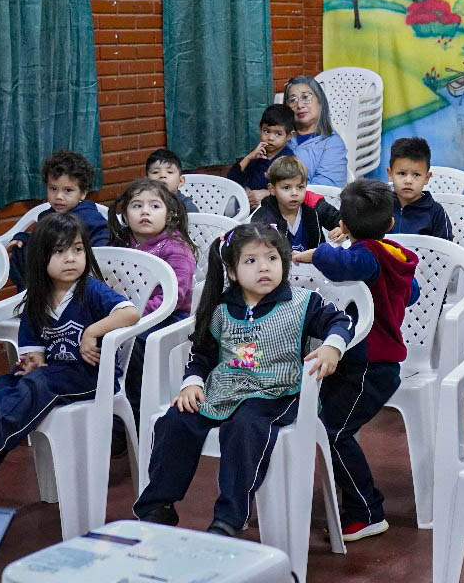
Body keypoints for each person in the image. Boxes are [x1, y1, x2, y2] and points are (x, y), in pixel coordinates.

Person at [133, 224, 353, 535]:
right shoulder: (222, 308)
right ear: (233, 272)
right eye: (251, 260)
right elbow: (203, 353)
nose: (264, 267)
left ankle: (229, 519)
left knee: (244, 427)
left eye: (272, 258)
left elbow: (340, 321)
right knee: (176, 420)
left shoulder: (302, 302)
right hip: (226, 389)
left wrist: (332, 346)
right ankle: (157, 506)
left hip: (278, 392)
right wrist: (192, 382)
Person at [0, 214, 139, 490]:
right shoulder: (37, 298)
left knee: (36, 384)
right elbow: (33, 346)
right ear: (41, 259)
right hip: (55, 374)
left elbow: (130, 313)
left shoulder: (91, 290)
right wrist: (33, 359)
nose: (71, 258)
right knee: (0, 387)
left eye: (77, 249)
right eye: (59, 252)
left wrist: (93, 332)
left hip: (89, 376)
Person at [291, 179, 419, 541]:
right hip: (361, 363)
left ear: (343, 225)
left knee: (334, 433)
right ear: (391, 224)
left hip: (370, 366)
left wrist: (313, 253)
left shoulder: (365, 256)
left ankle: (367, 510)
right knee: (326, 425)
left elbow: (337, 264)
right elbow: (413, 293)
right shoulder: (394, 253)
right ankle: (346, 501)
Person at [107, 178, 197, 447]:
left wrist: (129, 317)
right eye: (137, 206)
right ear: (124, 213)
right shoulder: (121, 244)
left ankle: (130, 422)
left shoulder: (175, 247)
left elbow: (175, 295)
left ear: (169, 213)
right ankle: (105, 408)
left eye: (154, 206)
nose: (145, 212)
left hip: (167, 319)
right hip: (123, 317)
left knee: (133, 347)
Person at [8, 150, 109, 289]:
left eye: (67, 190)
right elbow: (41, 239)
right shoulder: (46, 216)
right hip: (49, 282)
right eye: (53, 189)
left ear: (83, 193)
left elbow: (104, 247)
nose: (59, 196)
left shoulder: (89, 217)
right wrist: (23, 239)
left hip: (81, 284)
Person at [248, 156, 345, 252]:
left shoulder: (315, 205)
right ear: (272, 189)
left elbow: (346, 222)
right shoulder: (264, 216)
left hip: (315, 265)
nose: (294, 193)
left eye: (300, 187)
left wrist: (343, 230)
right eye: (286, 187)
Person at [227, 104, 297, 208]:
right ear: (260, 129)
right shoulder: (257, 154)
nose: (270, 138)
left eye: (278, 134)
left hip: (273, 211)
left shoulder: (289, 159)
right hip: (247, 207)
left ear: (289, 136)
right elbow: (232, 179)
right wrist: (248, 157)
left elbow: (291, 191)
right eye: (266, 131)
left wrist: (269, 194)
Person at [283, 75, 348, 187]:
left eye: (306, 97)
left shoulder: (332, 144)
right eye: (293, 100)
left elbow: (326, 189)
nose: (299, 105)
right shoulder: (280, 138)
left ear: (320, 101)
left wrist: (272, 194)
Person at [387, 137, 453, 240]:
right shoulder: (381, 206)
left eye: (416, 175)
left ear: (426, 178)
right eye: (402, 173)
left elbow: (446, 250)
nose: (408, 181)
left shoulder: (436, 213)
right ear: (390, 174)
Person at [145, 148, 199, 214]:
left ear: (181, 181)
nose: (162, 175)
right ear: (147, 181)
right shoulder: (143, 204)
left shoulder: (187, 207)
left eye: (169, 172)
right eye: (155, 172)